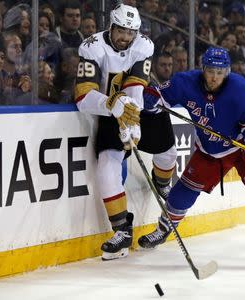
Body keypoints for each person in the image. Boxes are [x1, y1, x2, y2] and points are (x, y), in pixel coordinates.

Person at [138, 47, 245, 268]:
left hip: (243, 146)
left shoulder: (241, 89)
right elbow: (160, 94)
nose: (214, 76)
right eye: (211, 70)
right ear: (203, 69)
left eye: (220, 72)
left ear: (228, 72)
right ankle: (163, 229)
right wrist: (150, 98)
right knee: (183, 191)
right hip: (210, 150)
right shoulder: (186, 82)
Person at [74, 3, 177, 261]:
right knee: (106, 165)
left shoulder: (144, 45)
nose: (125, 38)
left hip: (134, 106)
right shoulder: (92, 47)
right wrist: (111, 104)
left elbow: (135, 85)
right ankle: (121, 231)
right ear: (111, 26)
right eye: (121, 31)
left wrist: (132, 119)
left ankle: (162, 181)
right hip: (107, 110)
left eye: (130, 33)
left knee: (168, 147)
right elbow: (82, 96)